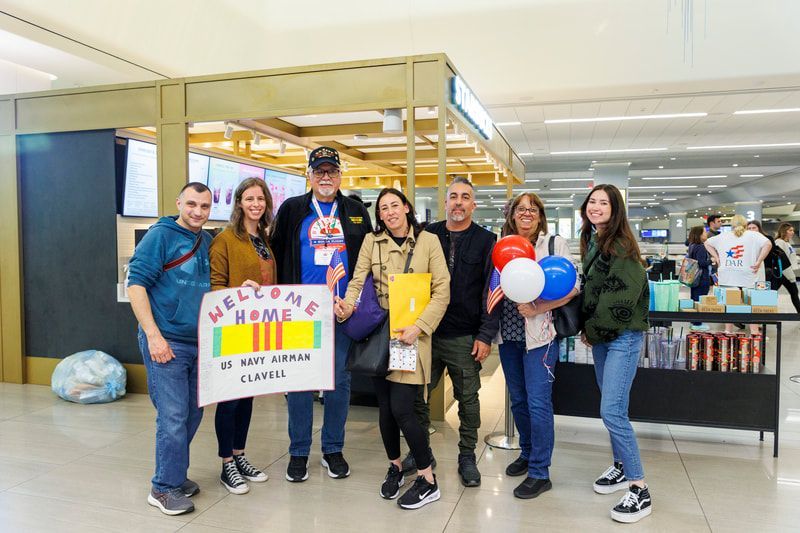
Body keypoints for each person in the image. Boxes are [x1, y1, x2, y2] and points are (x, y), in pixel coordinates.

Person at [336, 188, 450, 510]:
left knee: (403, 408)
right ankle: (396, 467)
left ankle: (427, 479)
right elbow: (357, 281)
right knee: (385, 408)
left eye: (394, 205)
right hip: (379, 335)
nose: (389, 212)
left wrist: (419, 327)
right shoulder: (372, 242)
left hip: (410, 334)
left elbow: (442, 291)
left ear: (407, 208)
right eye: (383, 208)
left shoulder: (428, 242)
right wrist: (347, 306)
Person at [270, 146, 372, 482]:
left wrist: (354, 301)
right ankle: (299, 451)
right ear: (309, 175)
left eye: (331, 171)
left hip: (342, 311)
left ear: (340, 175)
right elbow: (275, 254)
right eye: (319, 171)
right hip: (300, 311)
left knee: (339, 382)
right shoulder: (292, 209)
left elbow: (367, 262)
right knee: (299, 382)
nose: (325, 177)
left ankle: (333, 449)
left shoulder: (356, 211)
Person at [404, 177, 497, 487]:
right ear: (445, 203)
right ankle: (421, 453)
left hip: (464, 335)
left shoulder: (486, 240)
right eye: (453, 196)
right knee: (416, 395)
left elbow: (491, 290)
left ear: (473, 204)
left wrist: (485, 334)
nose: (458, 202)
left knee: (468, 399)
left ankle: (467, 456)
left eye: (465, 197)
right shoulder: (427, 235)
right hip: (426, 332)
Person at [127, 182, 213, 516]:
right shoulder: (160, 236)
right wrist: (153, 336)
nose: (197, 212)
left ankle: (175, 475)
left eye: (204, 206)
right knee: (173, 416)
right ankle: (163, 487)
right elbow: (135, 284)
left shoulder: (207, 240)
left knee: (193, 413)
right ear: (178, 203)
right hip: (167, 340)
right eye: (191, 204)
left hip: (198, 343)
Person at [498, 192, 579, 499]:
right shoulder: (504, 245)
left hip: (540, 337)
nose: (526, 213)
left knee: (538, 402)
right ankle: (528, 452)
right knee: (518, 400)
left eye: (533, 209)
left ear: (540, 215)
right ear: (512, 215)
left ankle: (540, 472)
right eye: (521, 209)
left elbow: (573, 286)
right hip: (508, 335)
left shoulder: (554, 244)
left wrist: (539, 308)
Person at [580, 184, 652, 524]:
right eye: (592, 202)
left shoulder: (620, 244)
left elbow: (620, 297)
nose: (595, 207)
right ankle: (621, 467)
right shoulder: (595, 240)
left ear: (615, 209)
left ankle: (640, 488)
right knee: (614, 408)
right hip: (603, 337)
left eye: (603, 203)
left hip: (621, 336)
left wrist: (591, 329)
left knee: (611, 411)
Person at [209, 177, 275, 494]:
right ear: (238, 203)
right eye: (249, 199)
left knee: (247, 396)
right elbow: (215, 287)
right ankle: (226, 464)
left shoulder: (263, 237)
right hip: (233, 329)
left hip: (258, 329)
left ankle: (239, 454)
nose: (255, 204)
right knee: (230, 399)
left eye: (260, 199)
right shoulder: (224, 240)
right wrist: (240, 292)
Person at [705, 215, 771, 334]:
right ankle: (754, 332)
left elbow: (707, 243)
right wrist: (759, 261)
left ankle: (728, 330)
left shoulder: (723, 236)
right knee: (752, 304)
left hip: (728, 275)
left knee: (729, 304)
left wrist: (717, 257)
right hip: (749, 274)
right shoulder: (754, 235)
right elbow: (768, 244)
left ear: (732, 225)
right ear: (745, 224)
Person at [747, 220, 800, 313]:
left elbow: (775, 257)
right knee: (766, 294)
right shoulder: (746, 241)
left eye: (754, 227)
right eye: (749, 228)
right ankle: (763, 314)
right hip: (758, 273)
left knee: (774, 293)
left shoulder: (767, 239)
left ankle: (767, 313)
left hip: (772, 272)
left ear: (759, 228)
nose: (752, 230)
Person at [686, 226, 712, 331]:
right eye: (704, 232)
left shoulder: (692, 246)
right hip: (702, 278)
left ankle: (694, 321)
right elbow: (701, 263)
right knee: (700, 300)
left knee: (694, 298)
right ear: (699, 235)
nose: (706, 234)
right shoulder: (701, 247)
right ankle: (698, 323)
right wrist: (711, 261)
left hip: (693, 277)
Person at [775, 223, 800, 312]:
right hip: (783, 273)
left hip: (787, 272)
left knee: (794, 293)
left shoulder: (787, 243)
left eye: (793, 230)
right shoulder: (779, 242)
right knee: (794, 293)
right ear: (784, 231)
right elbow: (779, 258)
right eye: (790, 230)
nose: (792, 232)